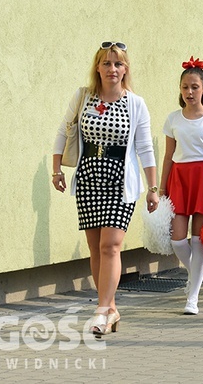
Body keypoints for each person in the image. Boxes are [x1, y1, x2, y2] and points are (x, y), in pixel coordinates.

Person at [52, 41, 158, 336]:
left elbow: (145, 147)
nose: (113, 69)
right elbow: (64, 130)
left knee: (111, 246)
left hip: (119, 181)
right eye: (107, 63)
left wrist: (153, 187)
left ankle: (100, 312)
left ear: (126, 69)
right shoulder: (83, 96)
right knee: (95, 248)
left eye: (119, 64)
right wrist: (56, 168)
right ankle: (110, 309)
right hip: (88, 176)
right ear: (97, 68)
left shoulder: (135, 103)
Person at [159, 56, 203, 315]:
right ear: (180, 89)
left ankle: (193, 297)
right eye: (185, 87)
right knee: (177, 240)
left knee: (198, 241)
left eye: (195, 87)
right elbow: (167, 156)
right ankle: (194, 273)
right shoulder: (173, 119)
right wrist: (161, 187)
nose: (190, 92)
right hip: (179, 178)